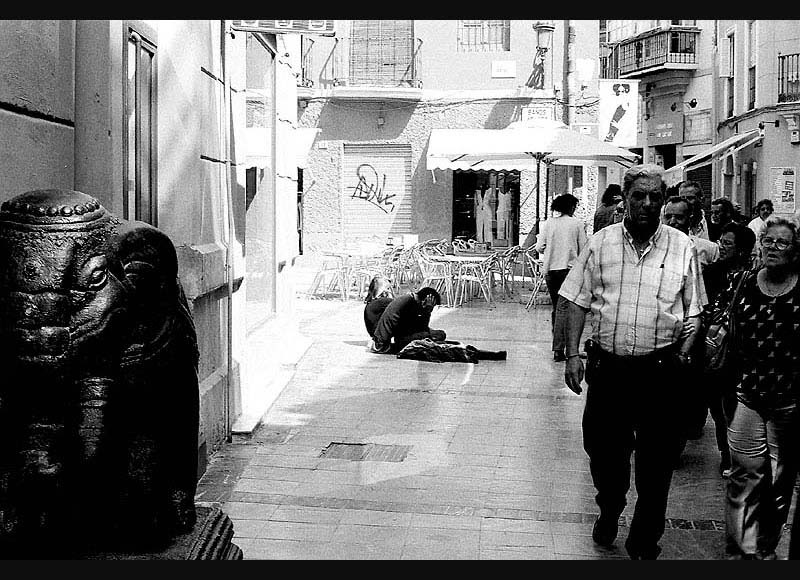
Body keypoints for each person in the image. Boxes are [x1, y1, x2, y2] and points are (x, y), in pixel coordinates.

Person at [558, 163, 704, 560]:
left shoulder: (681, 246)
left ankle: (644, 539)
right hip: (609, 371)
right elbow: (574, 300)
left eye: (654, 196)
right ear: (625, 199)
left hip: (660, 372)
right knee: (605, 454)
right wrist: (572, 354)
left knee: (656, 466)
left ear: (663, 200)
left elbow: (694, 312)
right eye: (638, 195)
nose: (646, 204)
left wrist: (684, 354)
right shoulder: (601, 242)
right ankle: (610, 506)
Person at [721, 215, 800, 560]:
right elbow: (720, 317)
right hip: (750, 394)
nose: (773, 247)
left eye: (782, 242)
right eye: (768, 240)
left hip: (791, 402)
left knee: (779, 485)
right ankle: (743, 548)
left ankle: (765, 544)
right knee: (744, 476)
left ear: (795, 251)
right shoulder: (744, 282)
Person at [698, 222, 756, 476]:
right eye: (721, 242)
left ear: (742, 250)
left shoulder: (756, 278)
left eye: (728, 244)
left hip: (741, 350)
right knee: (718, 405)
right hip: (714, 348)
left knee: (732, 405)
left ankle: (733, 454)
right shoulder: (711, 273)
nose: (721, 247)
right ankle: (727, 452)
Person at [535, 194, 588, 362]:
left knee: (557, 308)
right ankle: (559, 348)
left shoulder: (549, 223)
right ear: (571, 207)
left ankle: (558, 343)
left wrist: (551, 249)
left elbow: (539, 247)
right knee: (563, 309)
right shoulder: (577, 224)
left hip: (550, 270)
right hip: (569, 270)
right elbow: (585, 248)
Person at [370, 286, 447, 354]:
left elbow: (416, 326)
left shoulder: (410, 300)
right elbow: (422, 328)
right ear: (424, 300)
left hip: (397, 335)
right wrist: (427, 310)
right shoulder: (408, 302)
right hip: (382, 345)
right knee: (426, 335)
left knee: (440, 334)